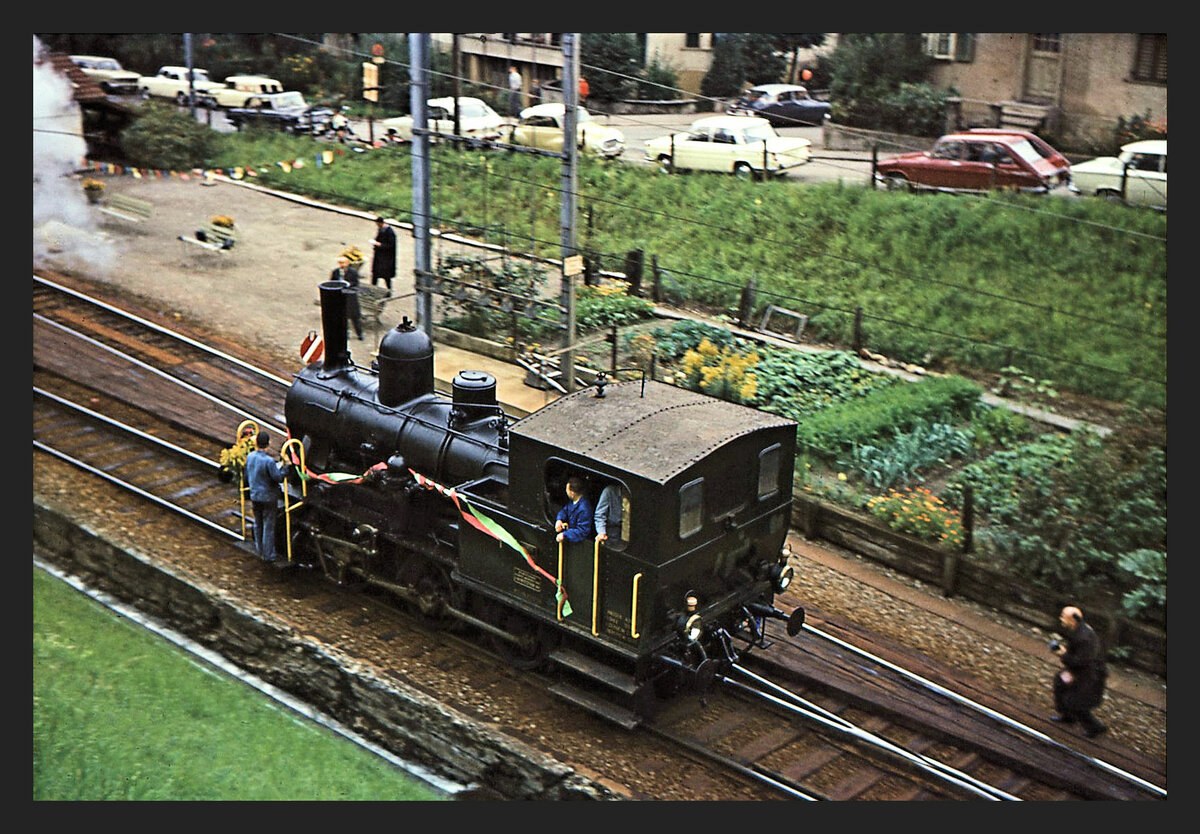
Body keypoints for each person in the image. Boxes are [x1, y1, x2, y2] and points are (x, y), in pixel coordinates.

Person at [1050, 605, 1109, 738]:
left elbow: (1080, 662)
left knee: (1076, 702)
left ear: (1072, 620)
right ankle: (1067, 716)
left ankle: (1095, 727)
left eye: (1063, 617)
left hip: (1090, 675)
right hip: (1081, 670)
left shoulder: (1083, 637)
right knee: (1060, 682)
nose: (1060, 619)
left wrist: (1062, 654)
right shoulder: (1079, 630)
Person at [246, 430, 287, 562]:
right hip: (268, 497)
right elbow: (278, 477)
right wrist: (286, 466)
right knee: (268, 526)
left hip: (255, 495)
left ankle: (259, 548)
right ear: (268, 443)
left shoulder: (250, 456)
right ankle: (268, 554)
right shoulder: (269, 461)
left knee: (258, 522)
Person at [331, 255, 364, 340]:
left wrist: (346, 285)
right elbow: (332, 282)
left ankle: (359, 333)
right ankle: (345, 333)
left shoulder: (353, 272)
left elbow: (355, 283)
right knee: (342, 316)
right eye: (340, 263)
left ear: (348, 263)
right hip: (340, 296)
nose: (342, 265)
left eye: (343, 263)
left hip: (351, 297)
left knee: (355, 317)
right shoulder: (336, 272)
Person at [554, 476, 594, 544]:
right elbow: (565, 510)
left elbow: (582, 531)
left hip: (581, 544)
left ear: (572, 493)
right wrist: (559, 520)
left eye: (567, 490)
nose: (566, 492)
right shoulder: (573, 501)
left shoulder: (584, 509)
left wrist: (565, 535)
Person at [370, 216, 396, 292]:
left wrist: (379, 244)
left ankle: (389, 290)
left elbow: (390, 245)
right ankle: (373, 289)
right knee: (375, 274)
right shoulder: (381, 229)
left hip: (386, 258)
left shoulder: (389, 232)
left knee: (386, 275)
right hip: (379, 256)